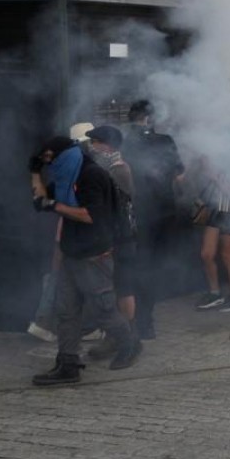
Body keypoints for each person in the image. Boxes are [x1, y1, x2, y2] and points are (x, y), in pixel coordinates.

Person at [30, 136, 141, 386]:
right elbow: (40, 201)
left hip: (94, 254)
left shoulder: (91, 175)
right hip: (73, 252)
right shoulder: (66, 175)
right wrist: (35, 172)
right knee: (66, 312)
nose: (49, 162)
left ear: (64, 154)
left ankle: (130, 343)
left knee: (103, 310)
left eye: (50, 157)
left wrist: (55, 205)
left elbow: (90, 215)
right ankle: (68, 364)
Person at [121, 100, 185, 339]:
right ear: (149, 119)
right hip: (165, 211)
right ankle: (146, 320)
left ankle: (136, 319)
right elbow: (180, 177)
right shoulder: (166, 141)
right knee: (154, 267)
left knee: (137, 265)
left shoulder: (124, 144)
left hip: (138, 213)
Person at [84, 125, 140, 360]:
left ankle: (129, 339)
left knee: (124, 289)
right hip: (114, 237)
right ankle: (114, 336)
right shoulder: (105, 168)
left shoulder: (118, 170)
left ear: (106, 145)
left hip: (122, 237)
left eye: (95, 142)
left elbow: (113, 209)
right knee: (113, 288)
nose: (91, 146)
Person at [195, 172, 230, 312]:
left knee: (228, 255)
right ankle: (215, 293)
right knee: (206, 254)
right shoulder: (217, 156)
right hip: (214, 208)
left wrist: (216, 178)